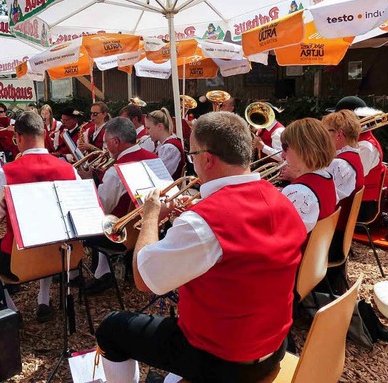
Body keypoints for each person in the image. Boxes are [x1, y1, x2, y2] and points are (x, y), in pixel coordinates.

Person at [95, 112, 306, 382]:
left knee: (113, 329)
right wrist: (195, 218)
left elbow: (142, 277)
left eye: (192, 154)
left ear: (207, 159)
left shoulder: (204, 223)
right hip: (274, 346)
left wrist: (150, 217)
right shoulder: (282, 201)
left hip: (221, 360)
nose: (192, 160)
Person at [0, 112, 79, 322]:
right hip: (63, 254)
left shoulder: (5, 174)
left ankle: (10, 310)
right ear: (44, 133)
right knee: (48, 236)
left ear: (18, 137)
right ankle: (43, 300)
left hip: (19, 259)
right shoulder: (70, 170)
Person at [83, 117, 158, 295]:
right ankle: (104, 270)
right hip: (147, 229)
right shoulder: (154, 158)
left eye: (106, 143)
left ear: (116, 142)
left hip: (121, 235)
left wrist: (87, 182)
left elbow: (101, 208)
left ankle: (88, 274)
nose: (105, 147)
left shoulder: (115, 171)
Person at [281, 118, 337, 234]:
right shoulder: (326, 176)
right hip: (317, 250)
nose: (282, 154)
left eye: (285, 148)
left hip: (300, 251)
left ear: (303, 150)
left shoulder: (299, 192)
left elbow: (281, 234)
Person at [321, 110, 365, 260]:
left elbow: (324, 203)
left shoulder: (339, 164)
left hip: (331, 238)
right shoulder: (353, 157)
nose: (323, 139)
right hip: (337, 233)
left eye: (325, 133)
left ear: (338, 135)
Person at [334, 96, 386, 221]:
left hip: (361, 207)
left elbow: (350, 178)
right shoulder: (353, 141)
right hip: (350, 202)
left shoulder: (365, 146)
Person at [145, 108, 186, 180]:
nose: (146, 132)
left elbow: (160, 177)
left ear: (159, 126)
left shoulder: (170, 148)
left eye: (148, 128)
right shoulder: (163, 144)